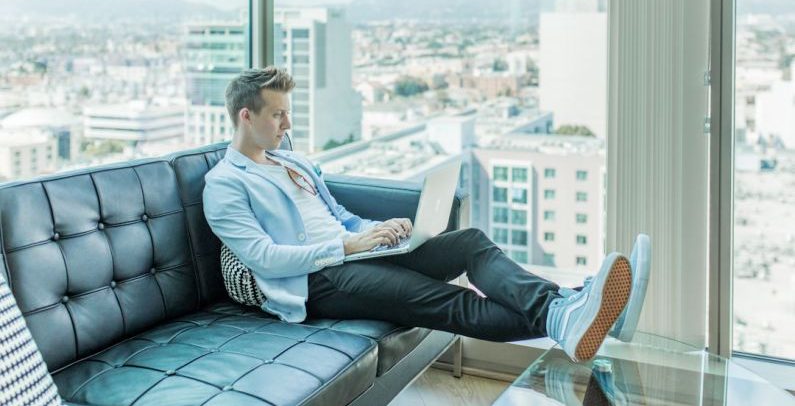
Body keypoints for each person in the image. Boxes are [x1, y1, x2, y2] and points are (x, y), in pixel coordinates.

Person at [203, 67, 651, 362]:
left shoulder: (292, 161)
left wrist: (375, 230)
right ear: (246, 116)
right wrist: (347, 245)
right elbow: (265, 258)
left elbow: (336, 212)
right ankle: (577, 311)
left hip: (357, 254)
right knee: (446, 300)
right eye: (278, 115)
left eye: (287, 114)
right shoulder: (225, 184)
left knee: (470, 243)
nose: (287, 125)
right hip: (317, 281)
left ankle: (572, 310)